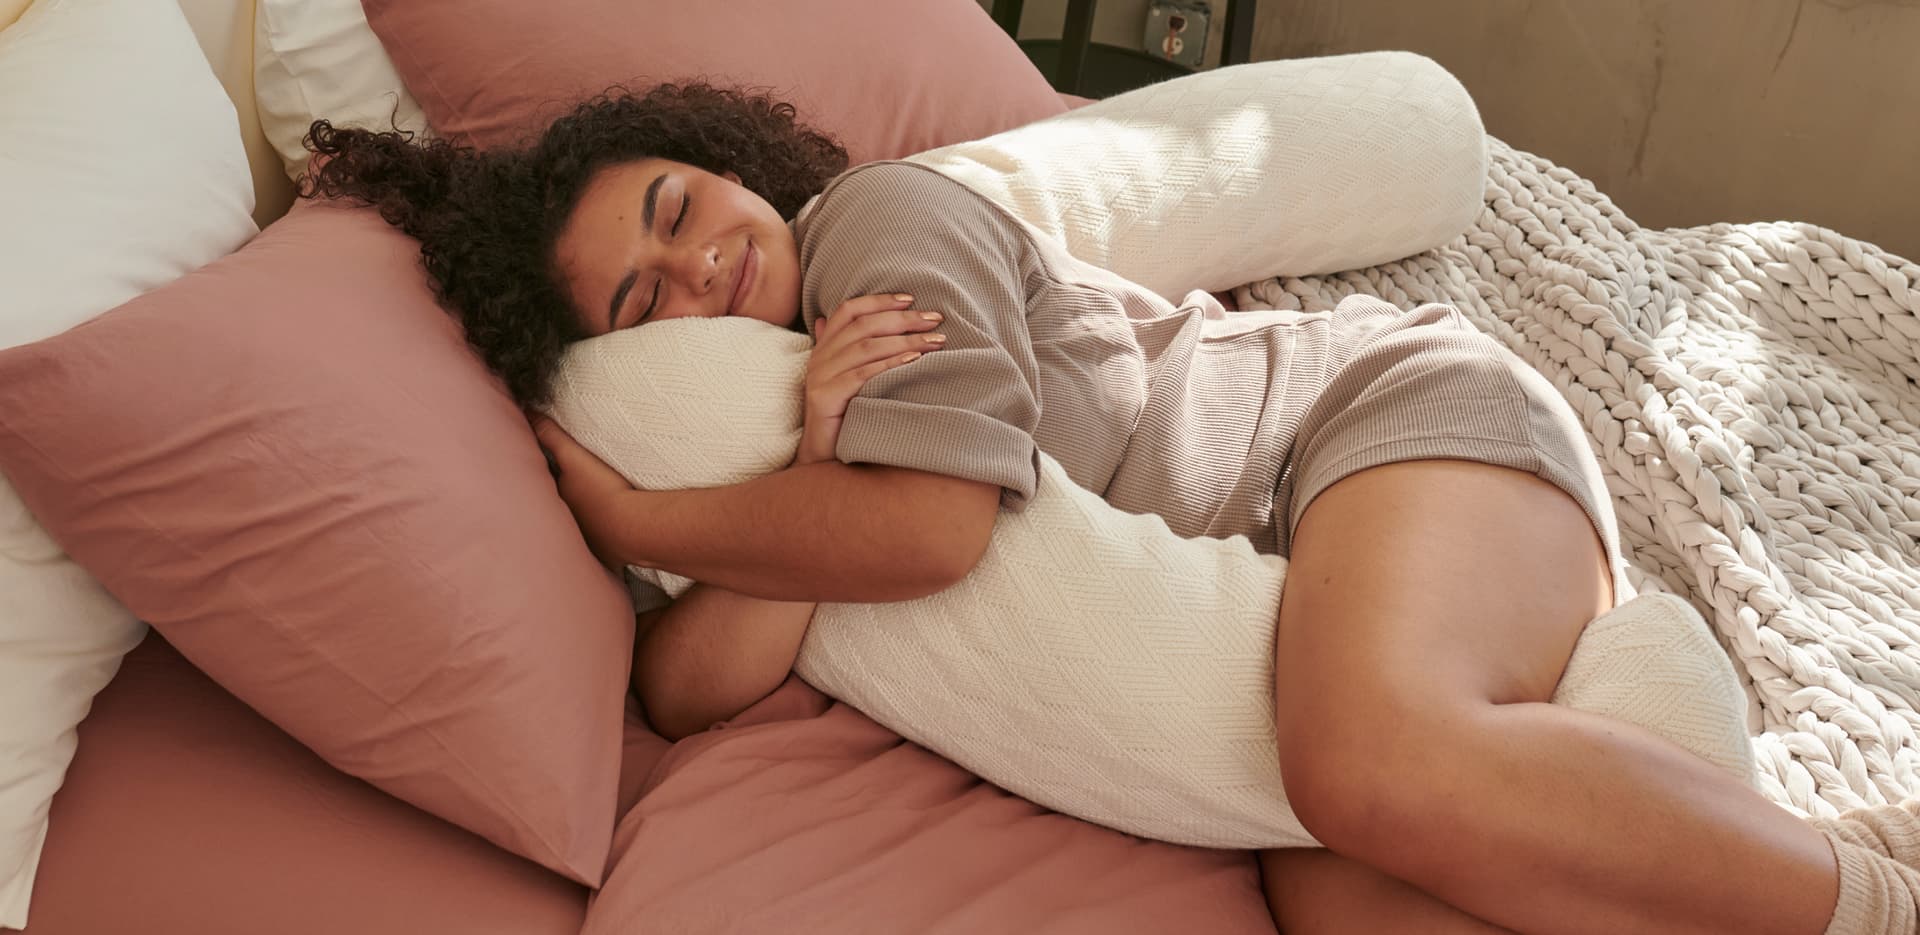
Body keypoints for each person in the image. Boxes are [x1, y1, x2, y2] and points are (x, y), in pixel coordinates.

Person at [300, 81, 1920, 935]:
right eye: (642, 301)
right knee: (1354, 902)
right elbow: (691, 690)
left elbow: (929, 538)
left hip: (1381, 427)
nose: (699, 260)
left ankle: (1874, 894)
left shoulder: (877, 222)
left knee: (1365, 760)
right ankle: (1655, 708)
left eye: (680, 204)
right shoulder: (789, 429)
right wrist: (791, 478)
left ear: (731, 162)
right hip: (1308, 573)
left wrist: (638, 510)